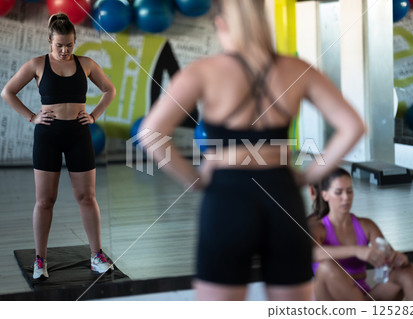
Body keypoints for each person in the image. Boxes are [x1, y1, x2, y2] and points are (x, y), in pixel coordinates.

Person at [139, 0, 365, 300]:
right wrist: (310, 175)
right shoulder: (296, 69)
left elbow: (150, 133)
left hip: (226, 195)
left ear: (221, 23)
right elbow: (353, 126)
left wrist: (194, 180)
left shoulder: (205, 70)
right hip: (282, 192)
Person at [1, 13, 116, 279]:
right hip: (48, 136)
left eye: (69, 45)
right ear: (49, 41)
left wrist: (95, 115)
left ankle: (96, 255)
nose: (64, 51)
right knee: (45, 201)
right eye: (59, 45)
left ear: (75, 43)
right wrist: (32, 116)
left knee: (86, 197)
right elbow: (7, 92)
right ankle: (40, 259)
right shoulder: (37, 64)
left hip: (78, 135)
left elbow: (109, 90)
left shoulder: (86, 64)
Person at [309, 168, 413, 301]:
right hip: (330, 301)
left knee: (407, 271)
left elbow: (386, 253)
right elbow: (312, 253)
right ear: (325, 195)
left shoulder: (366, 225)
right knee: (327, 267)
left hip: (362, 298)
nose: (346, 198)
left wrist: (395, 258)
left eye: (349, 191)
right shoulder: (317, 228)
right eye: (339, 192)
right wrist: (357, 250)